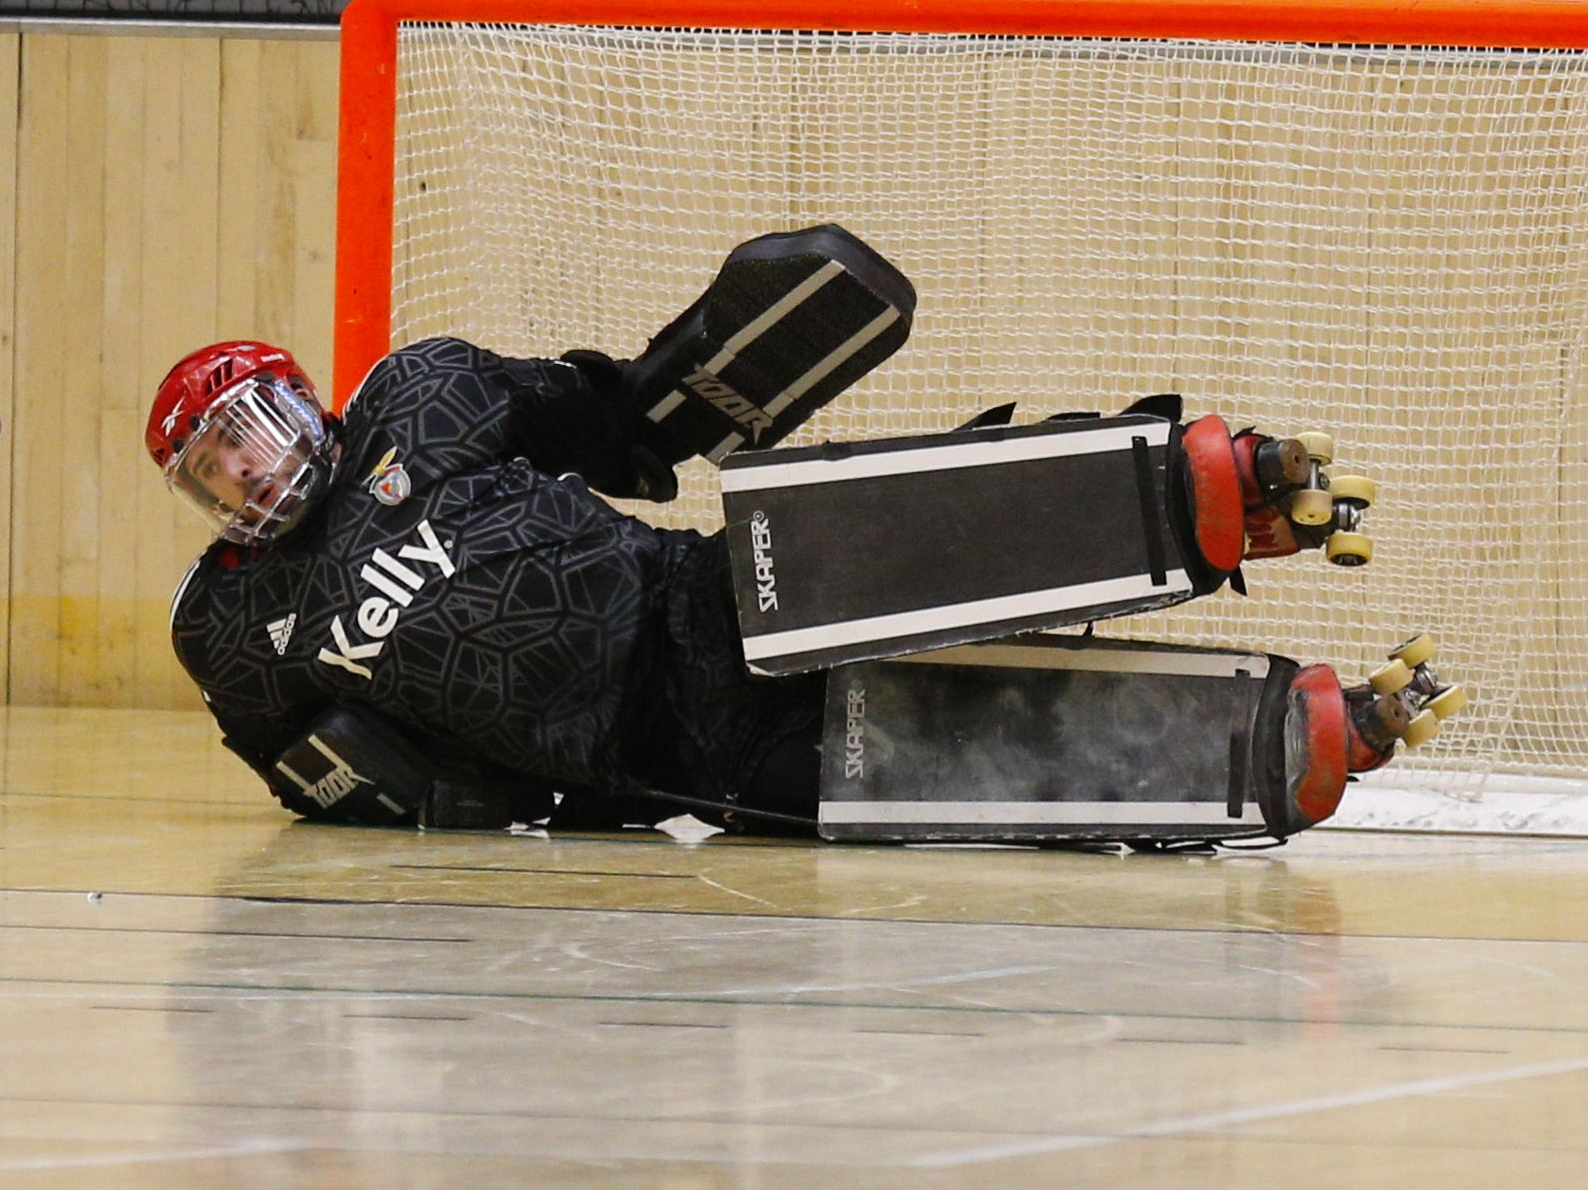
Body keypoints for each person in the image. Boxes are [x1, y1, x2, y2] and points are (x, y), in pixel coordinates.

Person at [149, 336, 1443, 841]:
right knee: (949, 761)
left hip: (698, 591)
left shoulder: (417, 399)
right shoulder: (233, 630)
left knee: (886, 536)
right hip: (663, 751)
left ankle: (1207, 490)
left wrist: (684, 389)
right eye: (212, 466)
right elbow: (330, 780)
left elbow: (607, 424)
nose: (244, 469)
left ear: (295, 394)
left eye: (246, 428)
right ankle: (1298, 738)